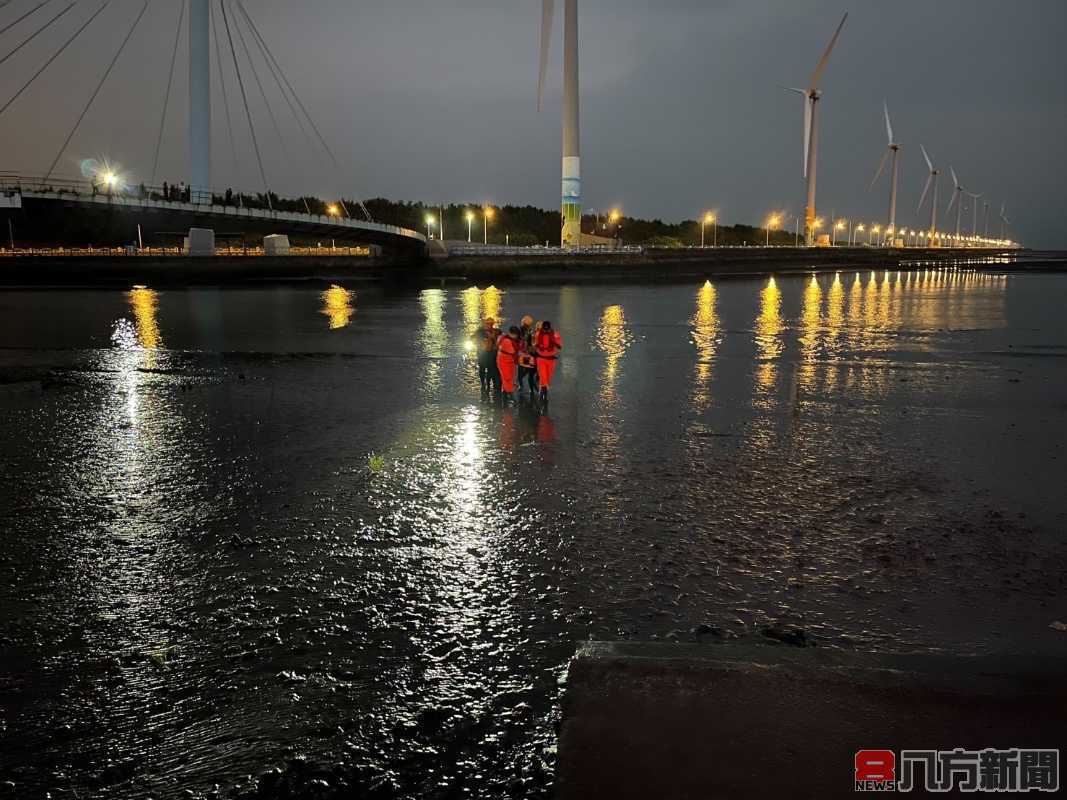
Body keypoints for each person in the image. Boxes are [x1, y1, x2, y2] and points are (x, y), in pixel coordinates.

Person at [535, 320, 562, 405]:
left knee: (548, 378)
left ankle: (543, 392)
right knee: (543, 377)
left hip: (551, 360)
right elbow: (536, 345)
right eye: (544, 329)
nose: (545, 331)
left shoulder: (555, 334)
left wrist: (554, 341)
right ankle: (543, 395)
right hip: (541, 359)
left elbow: (560, 346)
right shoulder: (538, 334)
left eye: (547, 329)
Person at [476, 317, 501, 395]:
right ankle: (484, 384)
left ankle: (488, 385)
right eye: (488, 324)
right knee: (483, 369)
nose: (489, 325)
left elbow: (499, 341)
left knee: (491, 370)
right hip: (483, 353)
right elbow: (474, 339)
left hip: (491, 353)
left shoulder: (497, 332)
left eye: (490, 324)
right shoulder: (480, 331)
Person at [497, 326, 521, 405]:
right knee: (507, 378)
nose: (516, 336)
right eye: (516, 335)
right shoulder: (507, 341)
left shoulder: (504, 338)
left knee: (509, 378)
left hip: (509, 361)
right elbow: (513, 352)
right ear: (512, 334)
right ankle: (509, 396)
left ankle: (505, 396)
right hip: (504, 361)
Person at [517, 315, 538, 398]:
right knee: (529, 371)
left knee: (521, 371)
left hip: (522, 354)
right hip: (528, 354)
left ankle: (521, 385)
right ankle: (532, 388)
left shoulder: (520, 331)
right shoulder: (531, 332)